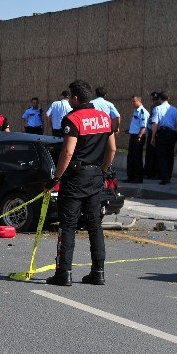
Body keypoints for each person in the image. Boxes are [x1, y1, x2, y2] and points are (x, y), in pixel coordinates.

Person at [46, 79, 117, 287]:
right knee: (95, 225)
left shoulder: (73, 119)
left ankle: (64, 272)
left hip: (75, 178)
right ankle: (98, 272)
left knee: (68, 226)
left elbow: (67, 152)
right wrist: (102, 170)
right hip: (95, 177)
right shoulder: (105, 118)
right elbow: (112, 149)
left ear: (75, 98)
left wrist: (56, 177)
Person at [150, 91, 177, 185]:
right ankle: (169, 176)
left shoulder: (157, 109)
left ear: (160, 99)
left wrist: (152, 137)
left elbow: (155, 123)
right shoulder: (174, 109)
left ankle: (164, 177)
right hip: (172, 133)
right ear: (169, 98)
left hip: (162, 133)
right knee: (170, 155)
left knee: (162, 156)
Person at [124, 95, 149, 183]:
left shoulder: (142, 112)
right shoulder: (136, 111)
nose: (132, 103)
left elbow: (143, 126)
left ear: (139, 101)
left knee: (137, 158)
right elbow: (136, 125)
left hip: (138, 137)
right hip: (133, 136)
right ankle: (131, 176)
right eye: (132, 101)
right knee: (131, 157)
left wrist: (139, 137)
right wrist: (130, 131)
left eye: (134, 101)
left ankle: (138, 178)